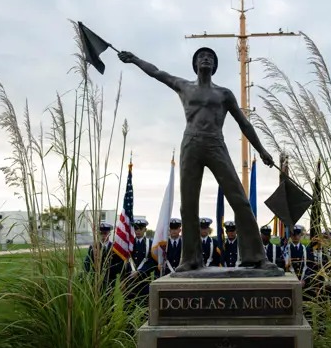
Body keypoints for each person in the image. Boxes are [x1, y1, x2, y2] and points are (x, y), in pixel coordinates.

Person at [118, 47, 277, 272]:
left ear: (214, 66)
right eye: (202, 57)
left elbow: (244, 123)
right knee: (188, 205)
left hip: (215, 143)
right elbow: (156, 72)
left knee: (240, 200)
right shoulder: (184, 86)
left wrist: (261, 150)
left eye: (210, 57)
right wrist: (134, 59)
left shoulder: (224, 94)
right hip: (191, 144)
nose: (206, 59)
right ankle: (191, 259)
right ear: (195, 64)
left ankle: (255, 256)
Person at [83, 222, 125, 307]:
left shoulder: (114, 248)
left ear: (109, 233)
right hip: (96, 280)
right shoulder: (93, 247)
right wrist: (83, 275)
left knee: (109, 302)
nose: (103, 235)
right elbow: (87, 262)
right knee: (96, 303)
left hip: (110, 280)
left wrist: (122, 279)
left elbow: (119, 264)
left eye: (105, 233)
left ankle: (108, 319)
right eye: (101, 233)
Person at [122, 218, 156, 301]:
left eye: (141, 228)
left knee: (144, 309)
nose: (138, 231)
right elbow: (124, 262)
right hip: (130, 281)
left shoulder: (150, 244)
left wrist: (140, 272)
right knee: (129, 309)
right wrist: (122, 280)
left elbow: (153, 262)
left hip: (144, 282)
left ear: (145, 229)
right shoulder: (129, 244)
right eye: (136, 228)